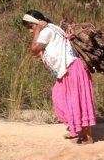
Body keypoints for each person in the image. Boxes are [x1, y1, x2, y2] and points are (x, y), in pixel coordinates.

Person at [22, 10, 96, 144]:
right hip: (69, 69)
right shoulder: (52, 28)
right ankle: (76, 129)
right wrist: (38, 29)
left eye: (30, 27)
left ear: (38, 22)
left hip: (72, 68)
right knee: (61, 97)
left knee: (76, 100)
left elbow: (33, 50)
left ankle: (88, 136)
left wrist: (38, 28)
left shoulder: (46, 31)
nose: (30, 31)